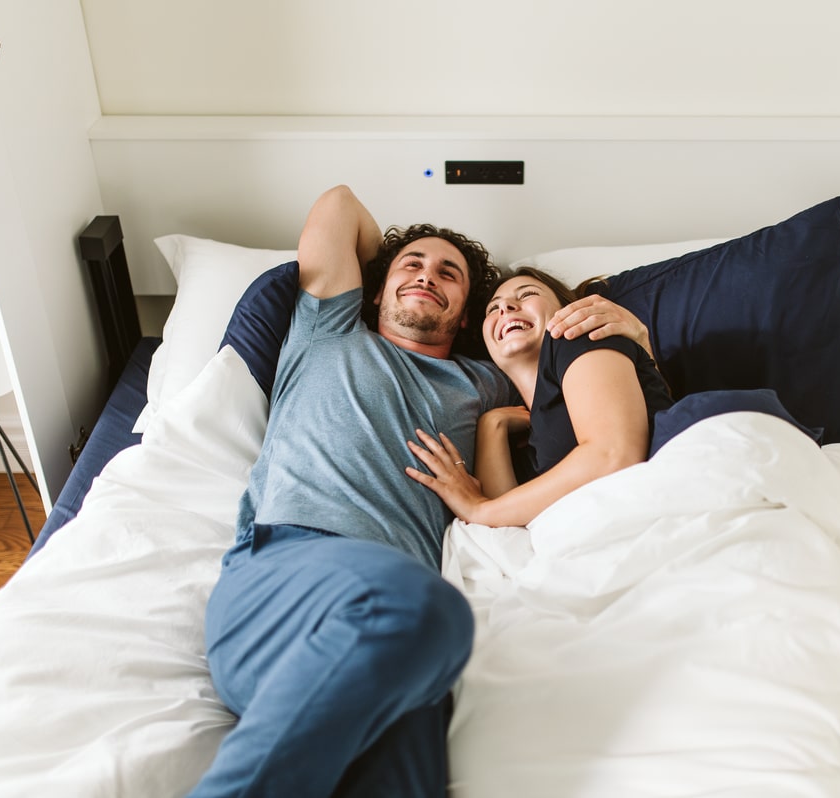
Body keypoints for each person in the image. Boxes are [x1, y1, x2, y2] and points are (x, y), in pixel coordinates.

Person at [190, 186, 651, 797]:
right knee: (425, 609)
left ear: (467, 317)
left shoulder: (483, 382)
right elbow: (338, 205)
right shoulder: (327, 331)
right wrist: (401, 261)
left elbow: (579, 399)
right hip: (284, 577)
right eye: (413, 266)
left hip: (395, 656)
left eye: (449, 275)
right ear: (375, 289)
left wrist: (633, 334)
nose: (428, 276)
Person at [406, 266, 672, 528]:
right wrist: (492, 425)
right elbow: (507, 531)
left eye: (527, 294)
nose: (505, 307)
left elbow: (614, 455)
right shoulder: (525, 443)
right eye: (492, 308)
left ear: (566, 308)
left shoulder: (578, 335)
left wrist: (479, 508)